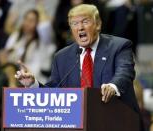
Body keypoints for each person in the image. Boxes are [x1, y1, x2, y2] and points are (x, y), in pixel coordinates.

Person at [15, 4, 144, 130]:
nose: (80, 28)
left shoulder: (119, 46)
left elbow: (124, 72)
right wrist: (33, 84)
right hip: (79, 125)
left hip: (118, 121)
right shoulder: (62, 57)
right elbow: (53, 92)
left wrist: (112, 86)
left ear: (98, 24)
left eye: (85, 21)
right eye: (74, 24)